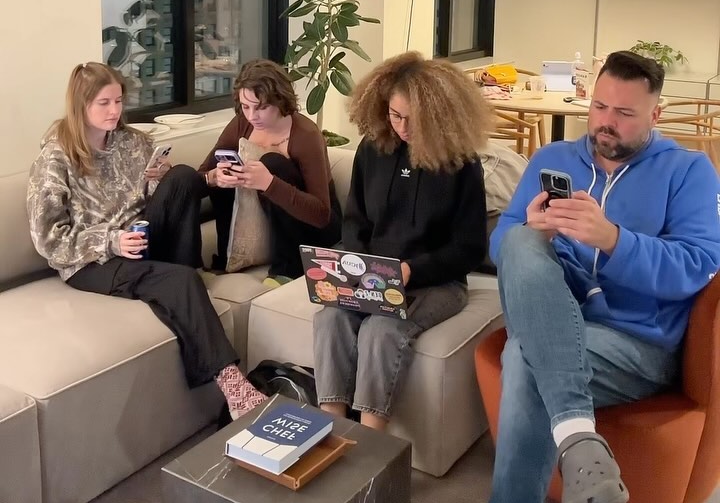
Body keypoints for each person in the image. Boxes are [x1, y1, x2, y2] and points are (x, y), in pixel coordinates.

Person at [429, 50, 720, 503]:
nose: (606, 122)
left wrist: (612, 240)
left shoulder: (689, 171)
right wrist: (533, 229)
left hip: (634, 344)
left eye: (625, 113)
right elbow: (502, 246)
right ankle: (577, 434)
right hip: (553, 317)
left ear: (655, 114)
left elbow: (698, 266)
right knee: (522, 245)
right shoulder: (552, 160)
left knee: (522, 362)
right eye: (599, 106)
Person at [27, 62, 265, 420]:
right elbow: (48, 239)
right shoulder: (55, 157)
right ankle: (235, 389)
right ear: (80, 105)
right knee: (181, 281)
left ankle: (179, 279)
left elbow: (149, 201)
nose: (115, 110)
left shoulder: (131, 142)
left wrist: (158, 181)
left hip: (139, 240)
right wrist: (112, 241)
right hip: (93, 262)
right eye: (104, 103)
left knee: (182, 176)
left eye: (119, 101)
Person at [313, 52, 489, 432]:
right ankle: (332, 430)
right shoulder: (372, 149)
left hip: (437, 282)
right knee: (330, 318)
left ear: (437, 114)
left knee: (381, 328)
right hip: (374, 277)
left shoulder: (461, 163)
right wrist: (354, 268)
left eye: (413, 118)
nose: (403, 127)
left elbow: (470, 248)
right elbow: (355, 221)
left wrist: (413, 270)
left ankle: (371, 443)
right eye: (395, 115)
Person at [198, 59, 342, 284]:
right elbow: (202, 175)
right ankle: (226, 261)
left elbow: (321, 215)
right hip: (261, 223)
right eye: (246, 107)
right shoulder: (242, 124)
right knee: (226, 168)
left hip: (316, 228)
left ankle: (287, 269)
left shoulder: (306, 135)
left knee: (273, 163)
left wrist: (269, 183)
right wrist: (215, 177)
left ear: (280, 101)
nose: (252, 116)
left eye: (261, 107)